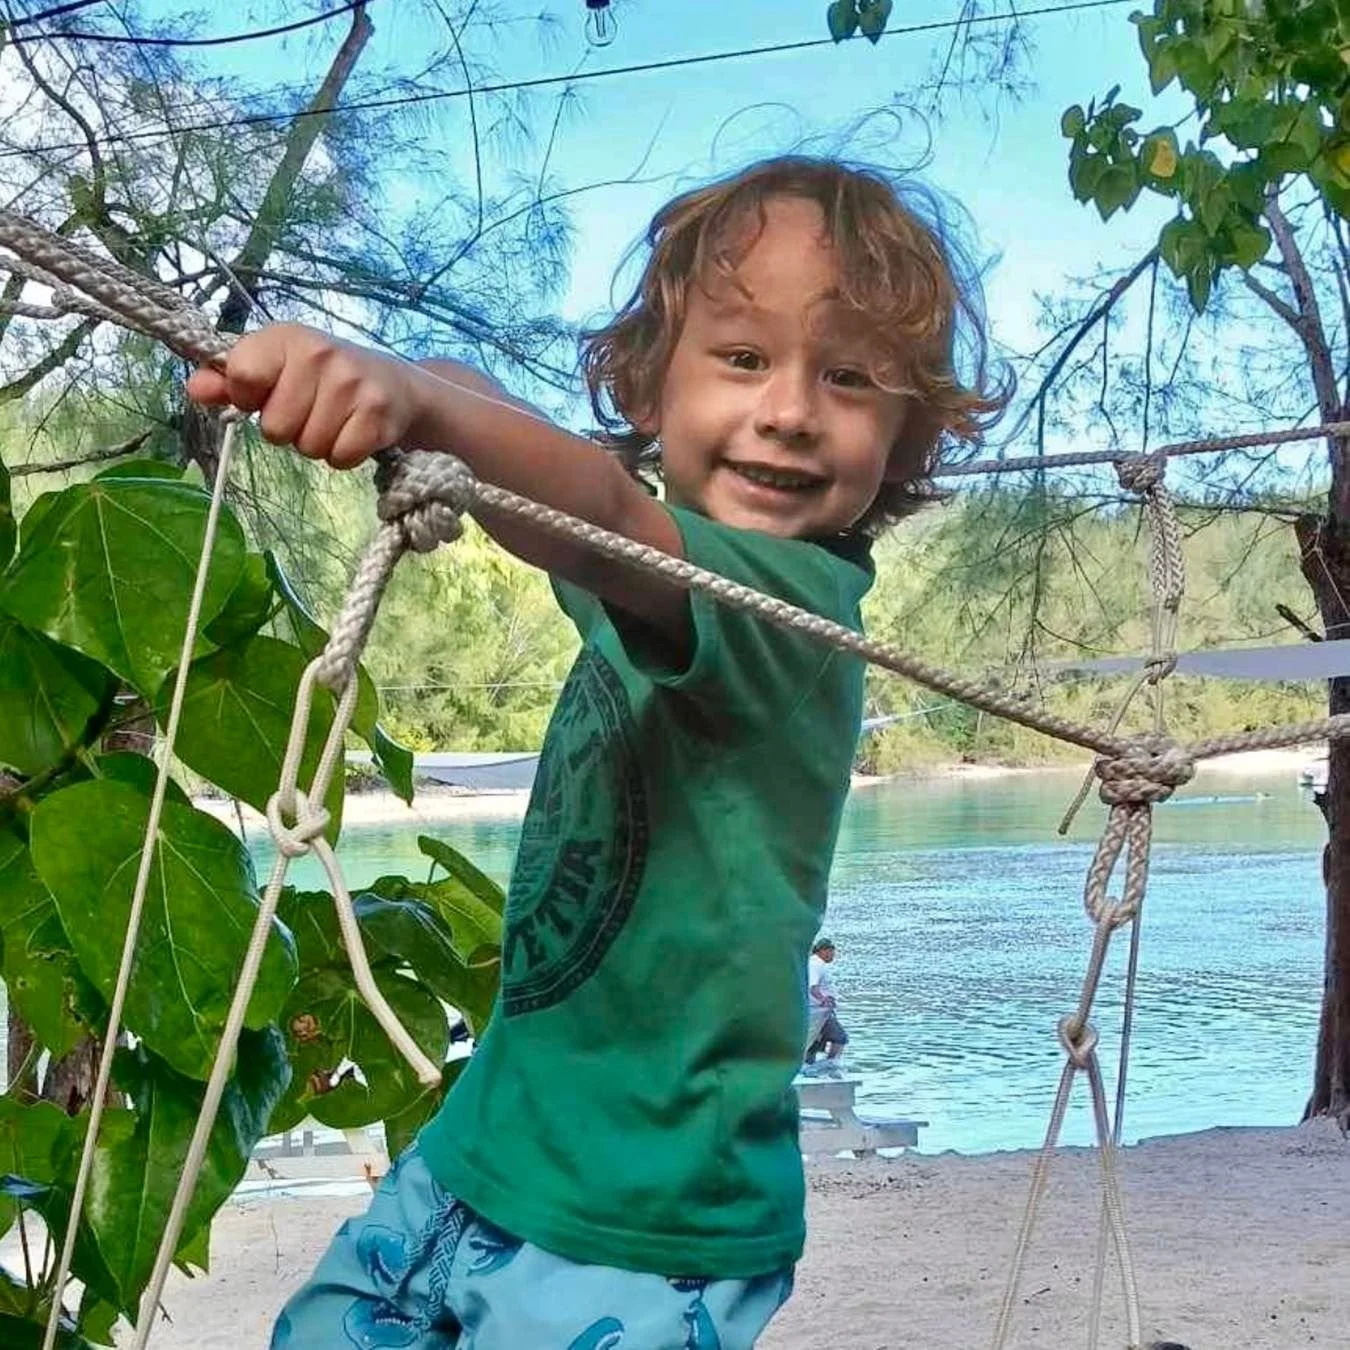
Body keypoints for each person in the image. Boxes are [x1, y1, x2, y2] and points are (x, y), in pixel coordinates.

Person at [188, 154, 1005, 1350]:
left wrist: (423, 407)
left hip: (646, 1222)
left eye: (849, 380)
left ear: (905, 435)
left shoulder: (793, 611)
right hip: (486, 1152)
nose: (786, 408)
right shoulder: (646, 569)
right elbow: (549, 473)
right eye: (741, 357)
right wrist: (398, 385)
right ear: (647, 389)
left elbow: (609, 519)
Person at [804, 937, 848, 1066]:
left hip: (820, 1012)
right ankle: (830, 1064)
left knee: (814, 1044)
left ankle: (812, 1066)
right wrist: (823, 1000)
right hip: (817, 1012)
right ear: (823, 951)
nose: (833, 955)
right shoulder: (816, 964)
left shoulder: (815, 963)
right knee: (840, 1038)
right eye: (832, 951)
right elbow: (812, 986)